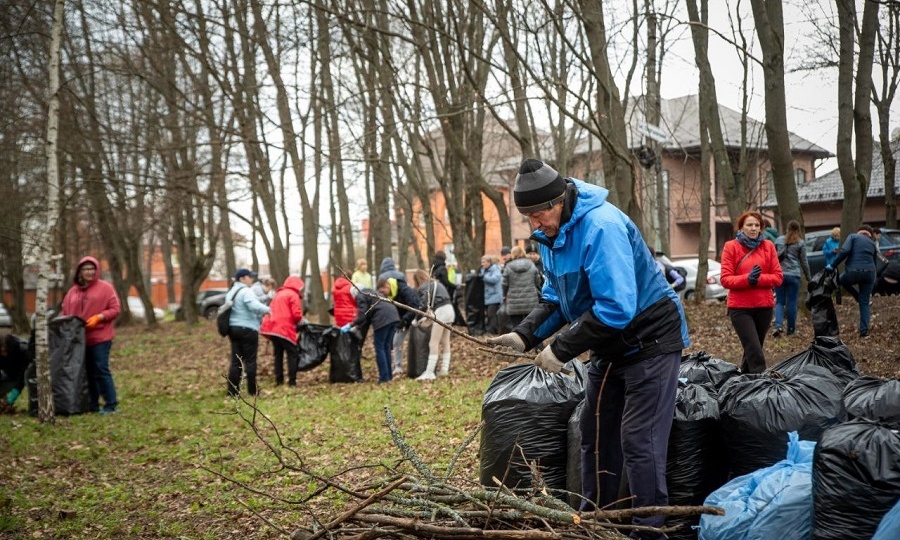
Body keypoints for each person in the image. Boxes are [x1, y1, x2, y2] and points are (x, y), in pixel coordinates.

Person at [487, 158, 690, 537]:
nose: (534, 223)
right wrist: (525, 335)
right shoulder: (551, 238)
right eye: (526, 216)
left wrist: (560, 350)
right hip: (610, 344)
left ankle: (649, 530)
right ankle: (596, 520)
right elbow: (556, 299)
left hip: (651, 338)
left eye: (538, 213)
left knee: (639, 438)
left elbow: (616, 306)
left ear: (559, 199)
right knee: (594, 431)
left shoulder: (602, 226)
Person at [720, 211, 783, 373]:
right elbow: (725, 279)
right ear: (741, 227)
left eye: (757, 225)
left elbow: (778, 277)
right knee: (754, 351)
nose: (753, 228)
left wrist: (759, 279)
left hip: (764, 307)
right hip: (740, 309)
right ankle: (761, 384)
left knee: (752, 350)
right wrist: (747, 279)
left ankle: (745, 385)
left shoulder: (768, 246)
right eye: (749, 225)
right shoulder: (731, 247)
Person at [60, 256, 122, 414]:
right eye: (86, 269)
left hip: (100, 337)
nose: (89, 272)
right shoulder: (72, 292)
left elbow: (115, 309)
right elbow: (65, 311)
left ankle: (111, 404)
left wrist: (100, 317)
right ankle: (92, 405)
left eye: (92, 269)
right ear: (79, 272)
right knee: (87, 373)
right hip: (79, 340)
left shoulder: (105, 288)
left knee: (100, 369)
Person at [225, 268, 271, 397]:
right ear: (242, 279)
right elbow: (254, 306)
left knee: (236, 361)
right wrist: (269, 310)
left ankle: (232, 392)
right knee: (250, 361)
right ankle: (253, 391)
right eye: (249, 277)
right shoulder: (246, 291)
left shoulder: (231, 292)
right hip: (248, 329)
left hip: (233, 329)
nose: (252, 279)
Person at [829, 224, 880, 337]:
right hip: (870, 274)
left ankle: (856, 296)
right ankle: (864, 331)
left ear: (859, 232)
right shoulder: (872, 243)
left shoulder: (853, 237)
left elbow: (844, 251)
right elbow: (875, 263)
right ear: (869, 234)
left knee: (841, 281)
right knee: (865, 302)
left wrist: (832, 265)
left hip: (853, 271)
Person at [345, 280, 400, 383]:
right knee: (386, 347)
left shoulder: (360, 295)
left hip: (382, 319)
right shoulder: (372, 292)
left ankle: (384, 377)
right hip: (393, 315)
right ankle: (389, 376)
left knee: (380, 347)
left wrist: (351, 324)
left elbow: (362, 314)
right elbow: (367, 316)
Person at [259, 276, 304, 386]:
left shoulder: (278, 294)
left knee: (278, 355)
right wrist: (300, 320)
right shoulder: (293, 295)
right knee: (292, 354)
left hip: (273, 328)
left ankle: (279, 381)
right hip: (285, 328)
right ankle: (292, 382)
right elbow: (296, 314)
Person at [410, 269, 454, 380]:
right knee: (445, 341)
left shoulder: (425, 287)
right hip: (450, 310)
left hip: (441, 312)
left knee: (433, 343)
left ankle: (429, 372)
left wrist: (416, 319)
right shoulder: (437, 284)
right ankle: (444, 369)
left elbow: (423, 306)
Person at [773, 220, 811, 337]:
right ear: (798, 230)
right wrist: (809, 277)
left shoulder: (779, 240)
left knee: (779, 301)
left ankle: (778, 325)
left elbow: (773, 257)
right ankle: (790, 329)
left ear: (787, 228)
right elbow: (804, 262)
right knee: (792, 303)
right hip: (794, 275)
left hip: (780, 274)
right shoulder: (800, 243)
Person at [382, 275, 422, 375]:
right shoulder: (390, 296)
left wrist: (405, 320)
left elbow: (415, 306)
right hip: (403, 321)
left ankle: (419, 365)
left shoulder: (405, 290)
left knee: (417, 343)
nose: (383, 294)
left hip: (417, 318)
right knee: (396, 342)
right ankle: (398, 366)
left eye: (383, 291)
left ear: (388, 286)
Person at [502, 245, 542, 330]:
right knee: (532, 327)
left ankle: (519, 342)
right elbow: (538, 281)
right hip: (530, 300)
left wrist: (504, 295)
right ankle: (534, 343)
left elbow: (504, 284)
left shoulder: (508, 266)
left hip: (514, 301)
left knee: (517, 327)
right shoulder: (531, 264)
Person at [0, 324, 28, 412]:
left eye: (5, 351)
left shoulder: (22, 350)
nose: (3, 354)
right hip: (7, 375)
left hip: (22, 375)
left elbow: (23, 373)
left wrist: (14, 393)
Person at [480, 255, 503, 334]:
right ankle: (492, 329)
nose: (482, 264)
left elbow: (494, 279)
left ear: (489, 262)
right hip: (488, 296)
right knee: (490, 314)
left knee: (492, 314)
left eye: (484, 262)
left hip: (495, 296)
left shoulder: (495, 269)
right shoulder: (484, 270)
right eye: (481, 262)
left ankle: (492, 331)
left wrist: (483, 277)